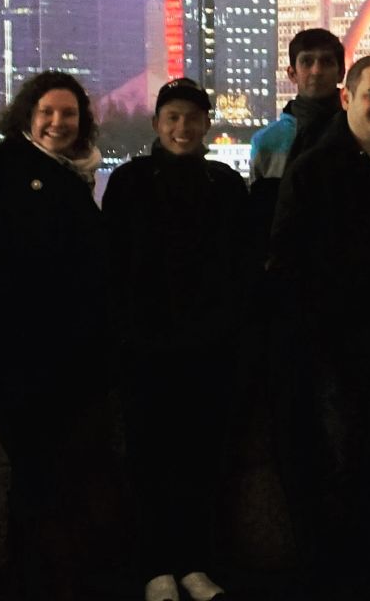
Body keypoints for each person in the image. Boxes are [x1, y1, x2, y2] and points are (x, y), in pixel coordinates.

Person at [267, 54, 370, 600]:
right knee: (332, 459)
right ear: (347, 98)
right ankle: (332, 573)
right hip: (327, 344)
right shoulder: (313, 169)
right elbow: (286, 254)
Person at [0, 71, 112, 601]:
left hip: (62, 367)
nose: (57, 122)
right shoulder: (1, 175)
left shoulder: (71, 173)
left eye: (68, 113)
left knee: (46, 479)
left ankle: (40, 579)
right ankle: (41, 582)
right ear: (27, 115)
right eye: (47, 112)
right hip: (19, 366)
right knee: (43, 478)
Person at [102, 78, 248, 601]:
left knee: (202, 460)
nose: (182, 127)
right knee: (148, 459)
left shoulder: (225, 185)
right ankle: (155, 566)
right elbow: (111, 263)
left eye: (191, 117)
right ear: (157, 124)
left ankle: (194, 564)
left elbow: (240, 267)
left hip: (209, 351)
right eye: (172, 118)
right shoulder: (129, 182)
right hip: (145, 352)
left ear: (206, 123)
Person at [248, 27, 346, 252]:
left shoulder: (357, 133)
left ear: (341, 73)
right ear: (292, 73)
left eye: (326, 62)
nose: (316, 71)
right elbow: (261, 215)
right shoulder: (267, 141)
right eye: (307, 62)